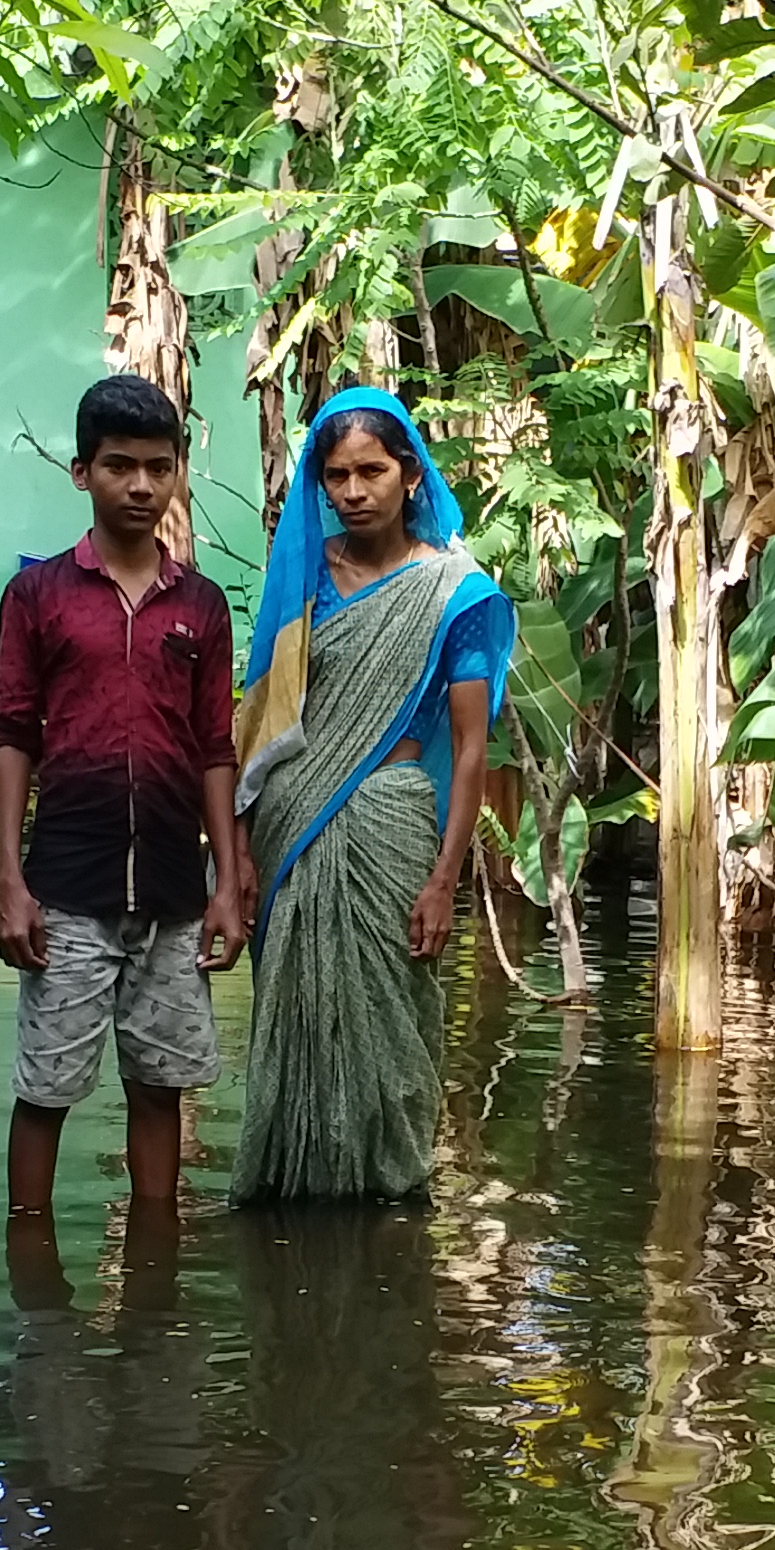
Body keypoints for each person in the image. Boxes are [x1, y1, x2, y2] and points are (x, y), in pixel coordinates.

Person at [230, 388, 513, 1204]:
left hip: (392, 825)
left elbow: (468, 751)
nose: (354, 491)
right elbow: (264, 716)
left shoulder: (454, 593)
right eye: (337, 476)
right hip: (293, 820)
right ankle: (295, 1189)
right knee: (297, 1016)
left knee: (391, 1019)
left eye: (372, 472)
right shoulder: (304, 583)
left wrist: (443, 880)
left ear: (411, 476)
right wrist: (241, 850)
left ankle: (387, 1192)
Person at [0, 375, 249, 1218]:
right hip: (67, 885)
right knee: (46, 1091)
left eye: (158, 468)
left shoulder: (202, 607)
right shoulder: (37, 598)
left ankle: (155, 1271)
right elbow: (15, 736)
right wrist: (9, 884)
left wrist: (227, 885)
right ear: (81, 473)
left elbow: (216, 750)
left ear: (178, 473)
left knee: (160, 1088)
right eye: (119, 466)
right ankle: (30, 1266)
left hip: (174, 891)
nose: (140, 486)